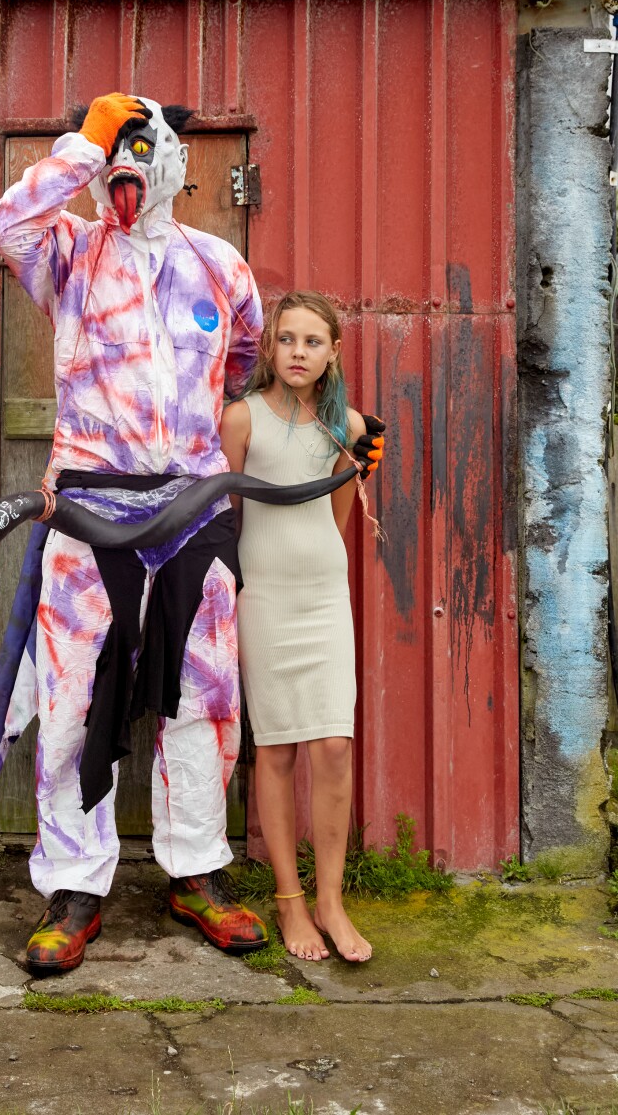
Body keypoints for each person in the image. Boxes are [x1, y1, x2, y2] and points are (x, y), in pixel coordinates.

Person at [0, 92, 270, 973]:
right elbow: (7, 223)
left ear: (177, 162)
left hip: (192, 513)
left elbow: (244, 360)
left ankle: (197, 871)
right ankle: (75, 883)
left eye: (145, 146)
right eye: (121, 147)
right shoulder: (68, 252)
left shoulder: (221, 265)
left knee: (205, 697)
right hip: (88, 513)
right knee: (71, 702)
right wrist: (84, 142)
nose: (130, 167)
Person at [219, 290, 383, 964]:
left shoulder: (344, 426)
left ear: (332, 352)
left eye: (312, 342)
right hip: (265, 596)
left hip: (321, 596)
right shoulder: (241, 420)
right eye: (287, 339)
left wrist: (314, 559)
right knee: (280, 750)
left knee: (335, 747)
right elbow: (226, 514)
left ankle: (331, 899)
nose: (297, 352)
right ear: (270, 346)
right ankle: (291, 900)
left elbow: (336, 510)